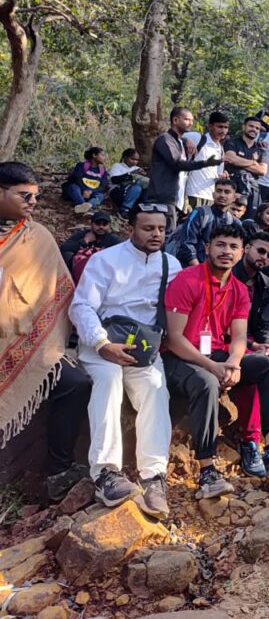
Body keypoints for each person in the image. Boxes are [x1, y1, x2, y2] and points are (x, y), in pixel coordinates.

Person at [162, 225, 269, 495]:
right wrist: (214, 367)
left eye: (233, 247)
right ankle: (207, 471)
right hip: (179, 356)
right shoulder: (187, 280)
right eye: (220, 245)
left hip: (217, 353)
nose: (226, 251)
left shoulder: (239, 289)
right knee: (207, 382)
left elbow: (239, 335)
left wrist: (234, 361)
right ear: (207, 248)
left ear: (241, 252)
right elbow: (174, 338)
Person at [69, 204, 180, 517]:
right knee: (109, 380)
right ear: (131, 228)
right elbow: (81, 307)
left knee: (155, 388)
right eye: (148, 228)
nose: (156, 234)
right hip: (103, 343)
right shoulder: (105, 260)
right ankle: (106, 473)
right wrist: (102, 344)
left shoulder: (171, 264)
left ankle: (154, 477)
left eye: (161, 229)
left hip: (142, 350)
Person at [0, 162, 91, 502]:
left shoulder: (36, 237)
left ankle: (59, 471)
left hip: (30, 344)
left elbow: (60, 291)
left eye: (36, 196)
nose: (33, 203)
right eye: (25, 196)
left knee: (76, 383)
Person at [149, 107, 221, 230]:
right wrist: (204, 163)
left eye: (192, 120)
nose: (190, 123)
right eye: (187, 119)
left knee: (172, 234)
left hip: (177, 200)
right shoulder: (165, 139)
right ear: (175, 120)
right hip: (162, 198)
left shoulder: (180, 143)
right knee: (162, 234)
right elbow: (177, 164)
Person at [172, 178, 241, 267]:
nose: (222, 195)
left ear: (234, 198)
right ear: (213, 194)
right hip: (192, 267)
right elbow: (186, 243)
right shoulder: (199, 214)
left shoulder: (235, 223)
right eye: (219, 191)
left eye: (227, 192)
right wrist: (199, 269)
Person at [183, 112, 230, 209]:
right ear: (210, 126)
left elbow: (217, 175)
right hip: (192, 193)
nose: (223, 130)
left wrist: (222, 177)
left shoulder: (220, 149)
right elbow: (172, 136)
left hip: (210, 197)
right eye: (220, 127)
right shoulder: (198, 138)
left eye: (226, 127)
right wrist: (186, 140)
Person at [59, 211, 123, 281]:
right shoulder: (83, 235)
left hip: (102, 273)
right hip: (80, 270)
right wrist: (85, 241)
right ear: (92, 224)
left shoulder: (113, 239)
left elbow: (125, 251)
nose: (101, 227)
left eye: (104, 224)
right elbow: (63, 248)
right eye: (98, 224)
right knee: (67, 254)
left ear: (109, 225)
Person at [223, 116, 267, 215]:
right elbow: (230, 158)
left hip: (252, 189)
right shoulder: (232, 142)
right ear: (244, 127)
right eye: (251, 126)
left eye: (257, 128)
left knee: (249, 218)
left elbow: (262, 170)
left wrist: (238, 162)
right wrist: (253, 162)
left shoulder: (260, 149)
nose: (254, 129)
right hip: (232, 186)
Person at [62, 146, 110, 216]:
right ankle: (85, 206)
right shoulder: (81, 165)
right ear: (94, 155)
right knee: (73, 187)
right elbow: (77, 179)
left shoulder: (102, 171)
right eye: (102, 155)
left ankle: (88, 205)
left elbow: (102, 186)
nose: (104, 158)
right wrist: (85, 190)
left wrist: (90, 191)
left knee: (100, 196)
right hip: (79, 192)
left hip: (91, 193)